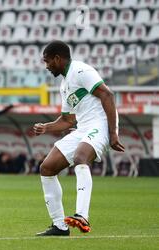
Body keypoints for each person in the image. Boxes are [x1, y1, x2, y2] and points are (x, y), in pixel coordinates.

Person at [34, 40, 124, 236]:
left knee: (80, 157)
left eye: (47, 61)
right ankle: (59, 225)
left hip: (99, 125)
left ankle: (82, 216)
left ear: (57, 58)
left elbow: (107, 96)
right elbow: (67, 120)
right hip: (82, 128)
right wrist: (46, 127)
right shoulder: (64, 84)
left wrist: (113, 132)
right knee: (47, 168)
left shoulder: (81, 71)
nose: (47, 66)